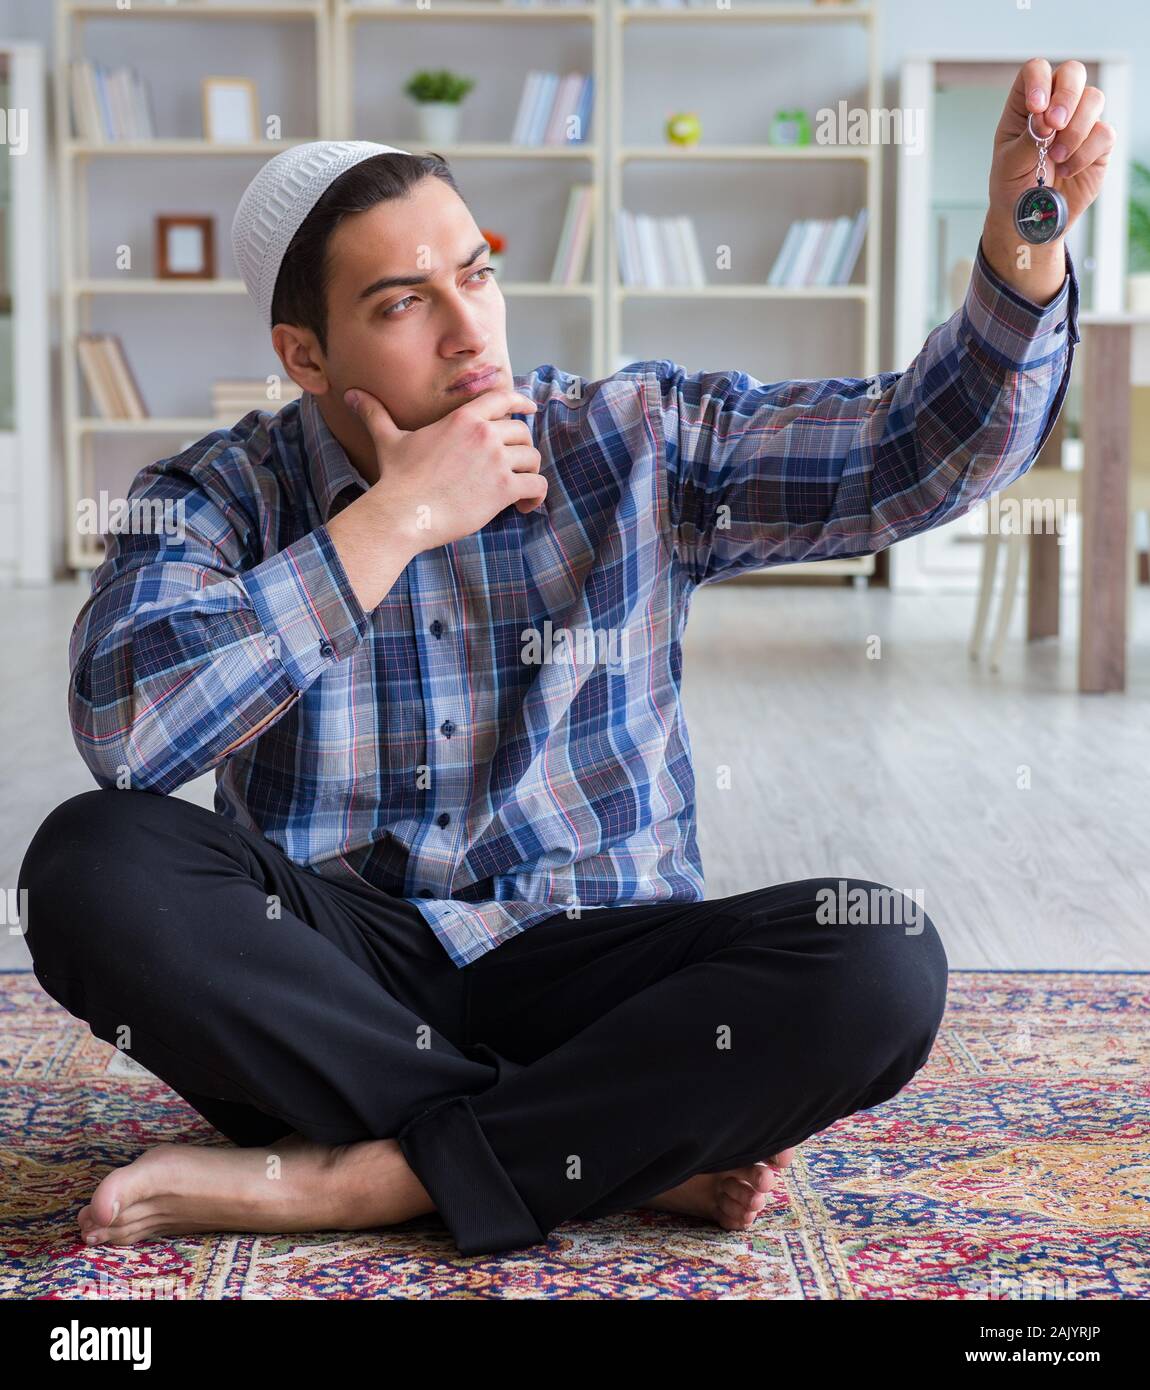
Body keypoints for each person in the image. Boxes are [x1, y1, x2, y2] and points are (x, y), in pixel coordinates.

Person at [19, 57, 1108, 1257]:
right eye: (400, 303)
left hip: (592, 960)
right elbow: (126, 727)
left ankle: (356, 1180)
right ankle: (598, 1147)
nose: (467, 326)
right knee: (87, 866)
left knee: (879, 958)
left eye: (473, 274)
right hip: (341, 979)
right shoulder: (221, 493)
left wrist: (1024, 245)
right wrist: (394, 521)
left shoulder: (629, 441)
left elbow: (916, 455)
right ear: (305, 356)